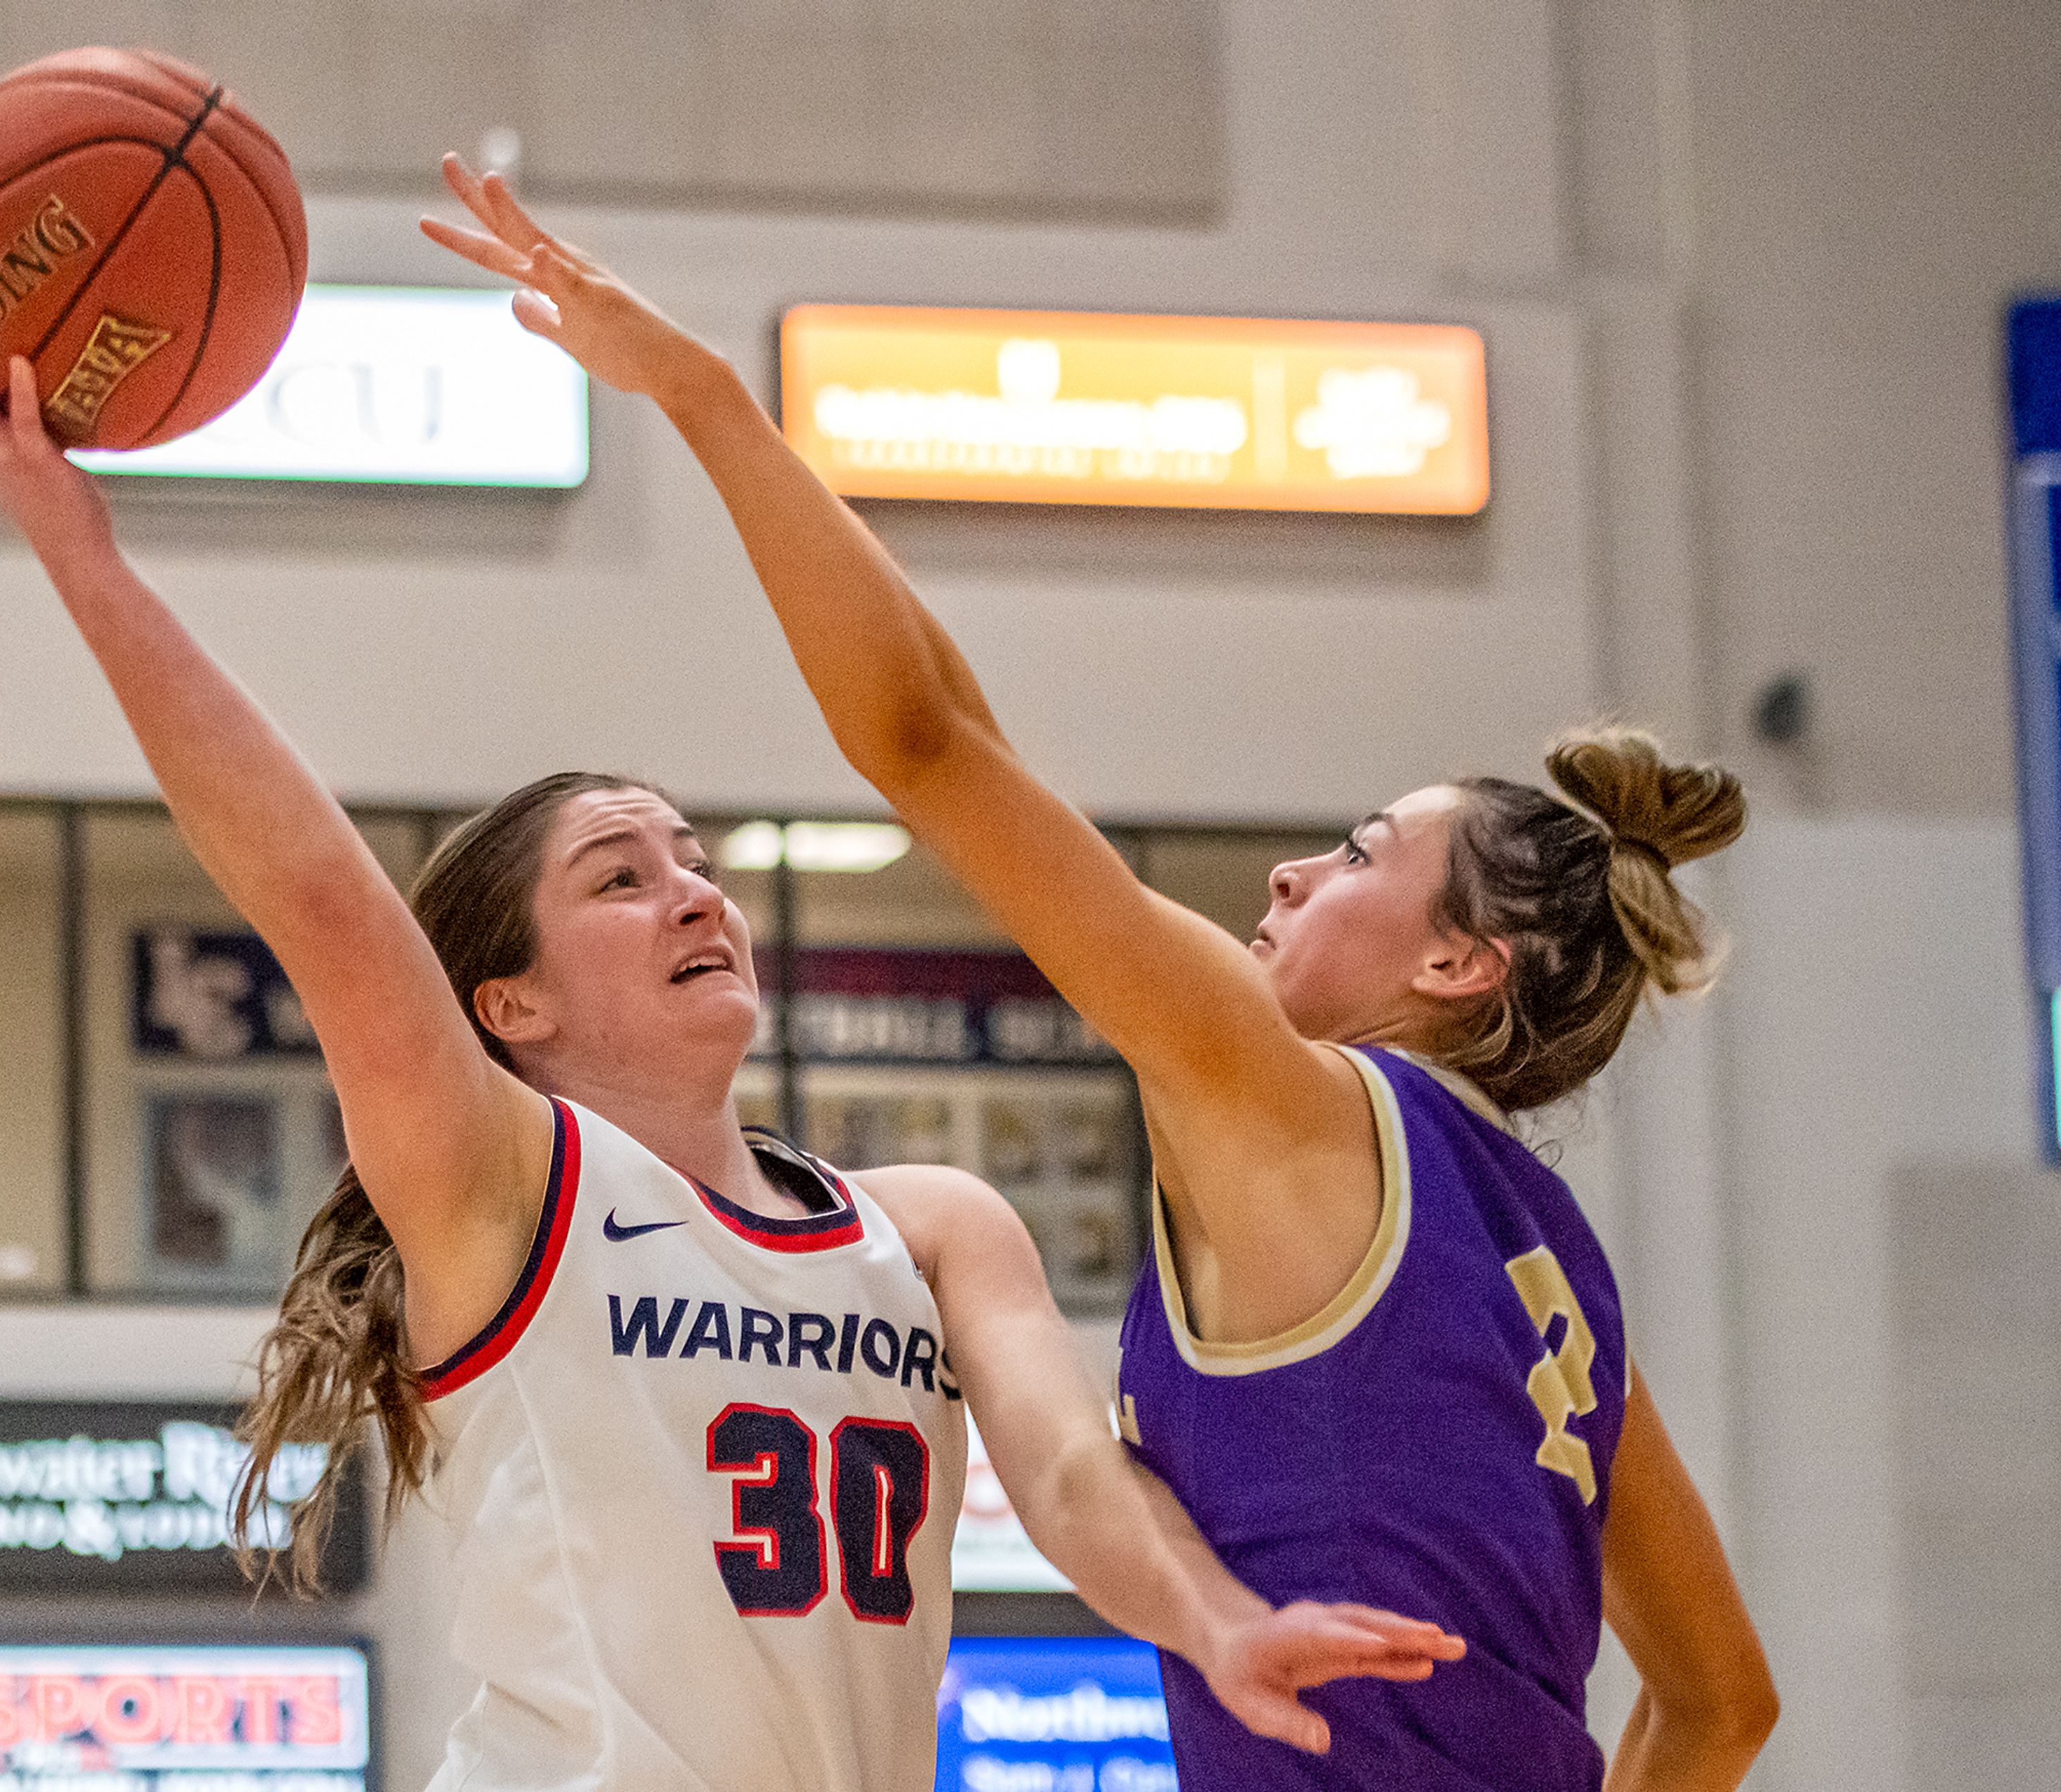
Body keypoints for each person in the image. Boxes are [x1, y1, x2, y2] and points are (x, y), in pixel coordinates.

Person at [0, 314, 1464, 1792]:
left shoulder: (929, 1226)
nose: (692, 892)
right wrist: (73, 540)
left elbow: (1063, 1481)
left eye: (693, 860)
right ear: (510, 1004)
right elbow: (314, 889)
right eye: (620, 879)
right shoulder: (507, 1191)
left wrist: (1214, 1622)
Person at [418, 155, 1781, 1791]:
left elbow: (931, 742)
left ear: (1455, 960)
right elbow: (1721, 1706)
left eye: (1355, 853)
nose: (1290, 874)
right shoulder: (1558, 1282)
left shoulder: (1295, 1103)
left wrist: (706, 398)